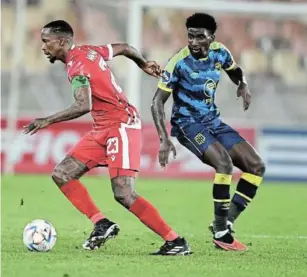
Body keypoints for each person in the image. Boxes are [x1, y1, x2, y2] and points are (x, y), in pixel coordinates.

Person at [23, 20, 191, 256]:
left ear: (61, 41)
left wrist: (47, 120)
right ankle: (101, 223)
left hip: (122, 123)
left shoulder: (77, 66)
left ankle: (175, 241)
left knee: (123, 192)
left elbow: (83, 105)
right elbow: (123, 47)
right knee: (62, 174)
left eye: (46, 41)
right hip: (103, 127)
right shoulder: (89, 51)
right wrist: (143, 63)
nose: (43, 47)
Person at [151, 13, 265, 252]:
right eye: (190, 36)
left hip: (213, 121)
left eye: (199, 37)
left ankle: (223, 222)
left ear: (211, 38)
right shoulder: (178, 62)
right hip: (187, 124)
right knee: (224, 164)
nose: (193, 42)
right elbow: (157, 102)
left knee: (256, 166)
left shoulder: (220, 52)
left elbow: (234, 70)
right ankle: (223, 234)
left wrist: (242, 83)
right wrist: (163, 139)